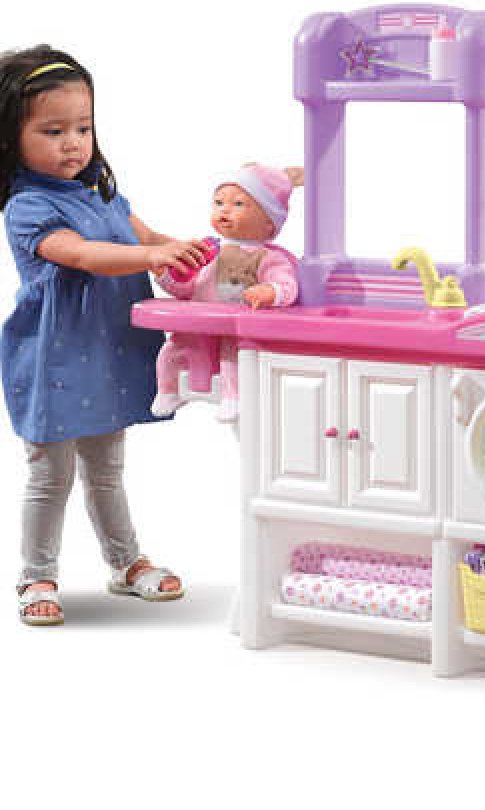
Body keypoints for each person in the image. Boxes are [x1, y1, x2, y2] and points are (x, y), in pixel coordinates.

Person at [1, 46, 209, 625]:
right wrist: (151, 254)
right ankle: (36, 574)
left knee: (108, 469)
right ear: (11, 138)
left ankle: (125, 562)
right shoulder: (27, 207)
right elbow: (84, 254)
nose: (73, 143)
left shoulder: (103, 194)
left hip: (105, 353)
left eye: (83, 128)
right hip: (55, 361)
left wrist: (184, 251)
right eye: (53, 131)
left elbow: (148, 238)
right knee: (51, 475)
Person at [152, 164, 302, 423]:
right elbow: (187, 288)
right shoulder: (207, 250)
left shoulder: (268, 257)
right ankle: (169, 389)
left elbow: (287, 285)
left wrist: (270, 291)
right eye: (219, 203)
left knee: (234, 357)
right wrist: (166, 276)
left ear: (269, 222)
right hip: (200, 323)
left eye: (238, 204)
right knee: (172, 349)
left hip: (236, 328)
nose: (224, 210)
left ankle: (233, 397)